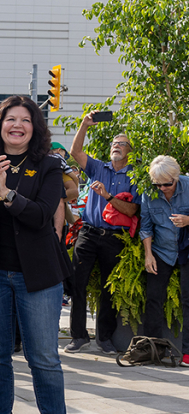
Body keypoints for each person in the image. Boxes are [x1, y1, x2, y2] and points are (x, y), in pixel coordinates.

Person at [0, 95, 71, 413]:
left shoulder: (50, 166)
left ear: (34, 128)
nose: (18, 125)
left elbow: (40, 216)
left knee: (44, 359)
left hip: (38, 276)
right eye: (11, 119)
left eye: (26, 120)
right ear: (0, 124)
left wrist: (7, 194)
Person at [67, 113, 140, 355]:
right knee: (78, 283)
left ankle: (105, 338)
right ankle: (78, 336)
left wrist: (108, 196)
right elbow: (75, 152)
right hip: (88, 233)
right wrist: (84, 125)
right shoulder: (99, 167)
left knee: (109, 288)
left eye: (121, 144)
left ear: (129, 150)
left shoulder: (134, 176)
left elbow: (131, 210)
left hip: (114, 238)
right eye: (113, 144)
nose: (115, 147)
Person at [139, 155, 189, 366]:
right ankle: (154, 349)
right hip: (162, 250)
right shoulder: (149, 193)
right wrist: (148, 254)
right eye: (157, 184)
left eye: (167, 184)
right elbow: (146, 226)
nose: (162, 188)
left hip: (187, 248)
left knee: (188, 300)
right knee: (153, 298)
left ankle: (187, 353)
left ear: (176, 177)